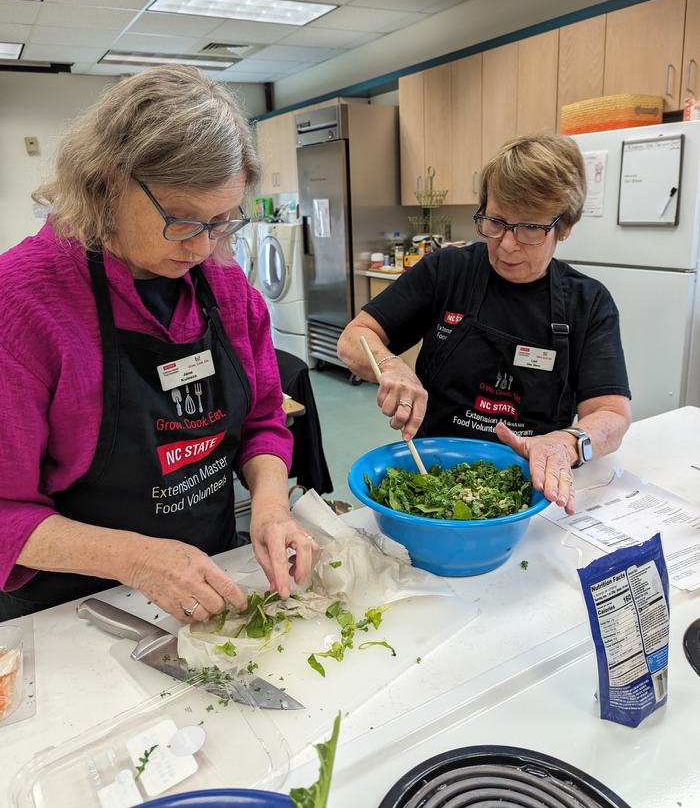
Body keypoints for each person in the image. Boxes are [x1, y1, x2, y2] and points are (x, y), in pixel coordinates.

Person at [0, 66, 315, 623]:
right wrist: (138, 558)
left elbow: (265, 417)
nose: (202, 246)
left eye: (221, 222)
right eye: (182, 219)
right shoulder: (22, 303)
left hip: (212, 571)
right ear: (106, 182)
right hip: (71, 608)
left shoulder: (224, 286)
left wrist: (269, 504)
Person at [339, 134, 632, 516]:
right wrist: (390, 365)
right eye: (495, 222)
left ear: (565, 226)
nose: (507, 244)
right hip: (433, 477)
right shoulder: (447, 271)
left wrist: (565, 443)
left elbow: (612, 412)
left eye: (529, 229)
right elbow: (353, 338)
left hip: (533, 488)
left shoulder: (588, 303)